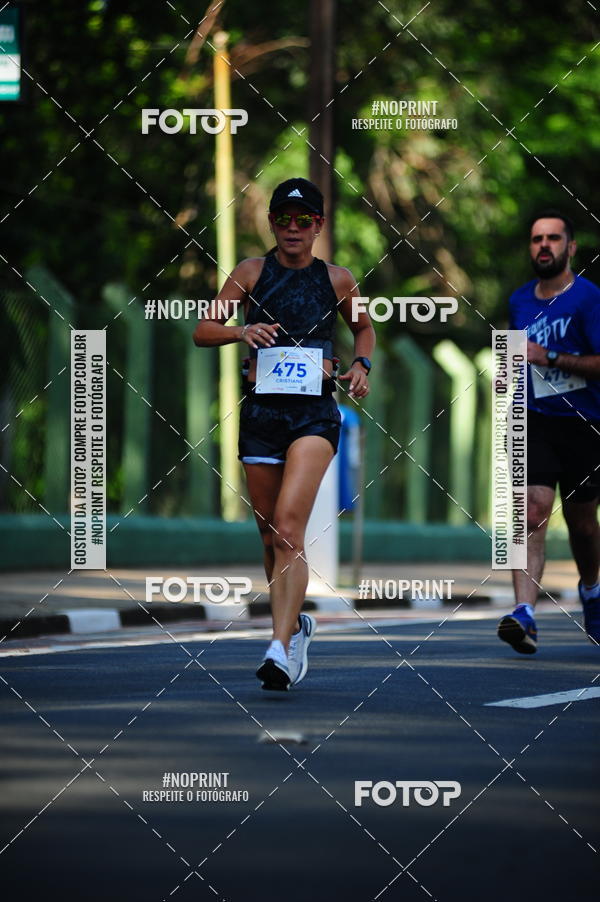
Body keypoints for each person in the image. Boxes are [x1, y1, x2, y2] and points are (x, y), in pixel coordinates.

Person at [193, 177, 375, 688]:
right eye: (283, 220)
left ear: (319, 226)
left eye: (304, 220)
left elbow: (363, 327)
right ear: (271, 223)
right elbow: (203, 330)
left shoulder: (338, 280)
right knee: (269, 534)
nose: (293, 229)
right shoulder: (251, 272)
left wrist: (361, 365)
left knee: (289, 529)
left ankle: (279, 647)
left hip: (314, 416)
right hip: (261, 417)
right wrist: (240, 330)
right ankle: (295, 625)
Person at [498, 210, 600, 653]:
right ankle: (524, 613)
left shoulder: (589, 299)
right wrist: (506, 380)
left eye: (553, 238)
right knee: (531, 511)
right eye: (537, 238)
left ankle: (592, 590)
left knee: (583, 525)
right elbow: (515, 355)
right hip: (532, 419)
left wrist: (551, 358)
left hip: (584, 423)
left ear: (570, 247)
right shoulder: (519, 301)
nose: (544, 245)